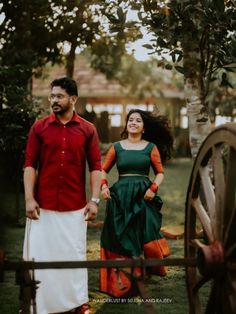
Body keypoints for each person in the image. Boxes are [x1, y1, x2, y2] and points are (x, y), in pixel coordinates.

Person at [22, 77, 102, 314]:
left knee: (74, 256)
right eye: (52, 96)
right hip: (42, 207)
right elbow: (29, 165)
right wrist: (29, 198)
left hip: (75, 206)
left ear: (73, 99)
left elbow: (96, 166)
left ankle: (78, 304)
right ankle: (34, 304)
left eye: (59, 96)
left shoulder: (88, 129)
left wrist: (94, 200)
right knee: (39, 257)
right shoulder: (39, 128)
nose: (54, 100)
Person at [99, 109, 173, 298]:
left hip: (144, 196)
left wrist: (153, 188)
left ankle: (146, 270)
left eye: (137, 120)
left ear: (144, 127)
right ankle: (124, 279)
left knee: (145, 233)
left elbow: (160, 172)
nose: (133, 123)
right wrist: (104, 186)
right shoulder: (116, 147)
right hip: (121, 196)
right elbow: (102, 170)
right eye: (130, 120)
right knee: (122, 235)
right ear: (126, 124)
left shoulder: (151, 148)